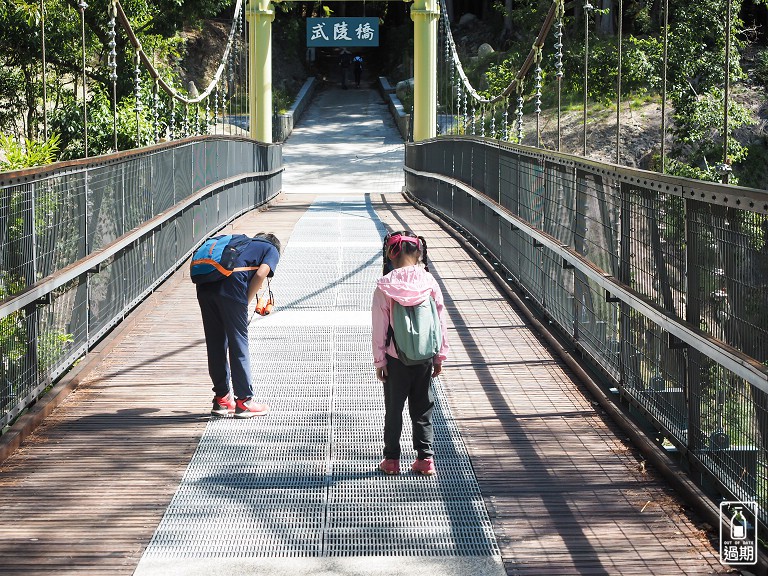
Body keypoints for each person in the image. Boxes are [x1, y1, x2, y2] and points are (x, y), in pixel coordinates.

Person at [371, 231, 449, 476]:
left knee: (394, 409)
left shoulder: (385, 287)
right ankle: (425, 459)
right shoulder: (429, 282)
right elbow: (440, 321)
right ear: (419, 254)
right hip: (425, 356)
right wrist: (439, 355)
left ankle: (391, 460)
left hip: (396, 359)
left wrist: (380, 361)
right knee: (423, 407)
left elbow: (379, 328)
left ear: (389, 256)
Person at [196, 232, 281, 418]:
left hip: (205, 286)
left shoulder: (240, 244)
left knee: (216, 343)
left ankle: (222, 399)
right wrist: (246, 302)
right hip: (231, 289)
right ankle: (244, 402)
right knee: (238, 344)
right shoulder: (271, 249)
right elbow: (260, 273)